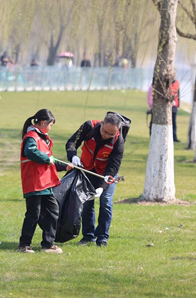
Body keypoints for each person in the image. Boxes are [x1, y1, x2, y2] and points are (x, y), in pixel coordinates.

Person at [66, 111, 130, 247]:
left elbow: (112, 168)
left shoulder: (118, 142)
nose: (106, 135)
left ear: (117, 131)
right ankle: (88, 236)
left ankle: (102, 238)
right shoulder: (88, 126)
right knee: (87, 202)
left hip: (106, 173)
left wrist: (102, 187)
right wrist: (73, 156)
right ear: (101, 124)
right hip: (87, 169)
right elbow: (72, 142)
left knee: (105, 201)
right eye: (104, 131)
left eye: (110, 134)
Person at [18, 109, 68, 254]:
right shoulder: (31, 137)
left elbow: (50, 162)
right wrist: (48, 159)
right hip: (34, 183)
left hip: (45, 184)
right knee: (33, 214)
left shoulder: (43, 138)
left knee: (53, 211)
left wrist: (66, 166)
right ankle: (24, 245)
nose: (50, 128)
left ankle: (47, 244)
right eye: (51, 125)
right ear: (44, 123)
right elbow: (31, 152)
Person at [146, 77, 180, 142]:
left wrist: (178, 105)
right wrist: (151, 105)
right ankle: (153, 136)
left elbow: (177, 94)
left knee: (173, 122)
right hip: (156, 106)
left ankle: (173, 137)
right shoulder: (154, 87)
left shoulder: (175, 83)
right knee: (154, 122)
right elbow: (150, 97)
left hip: (173, 106)